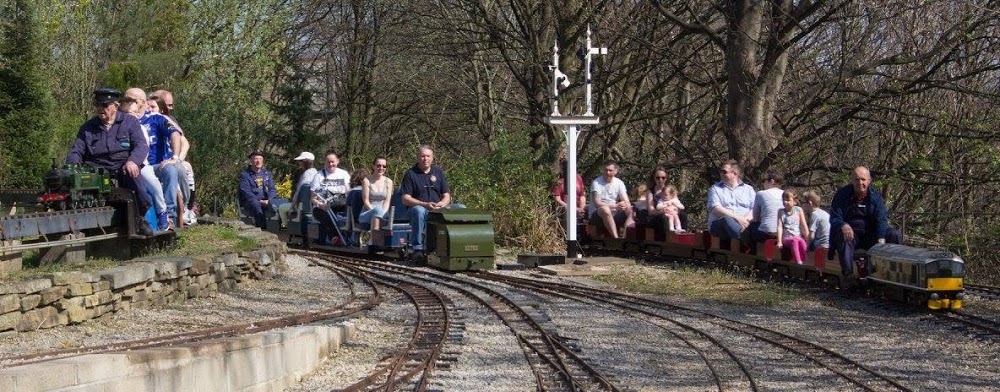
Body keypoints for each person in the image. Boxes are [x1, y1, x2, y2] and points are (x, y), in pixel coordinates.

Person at [66, 88, 153, 235]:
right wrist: (73, 166)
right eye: (99, 105)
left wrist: (132, 161)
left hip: (122, 166)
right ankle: (82, 224)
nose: (101, 109)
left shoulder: (129, 122)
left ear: (115, 106)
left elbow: (141, 145)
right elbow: (76, 151)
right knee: (77, 182)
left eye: (105, 106)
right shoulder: (88, 128)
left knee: (135, 179)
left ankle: (139, 219)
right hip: (97, 169)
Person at [829, 166, 902, 278]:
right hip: (851, 235)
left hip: (870, 235)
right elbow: (834, 217)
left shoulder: (875, 197)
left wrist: (881, 238)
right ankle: (848, 275)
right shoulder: (842, 195)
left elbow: (881, 219)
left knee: (894, 234)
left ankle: (894, 272)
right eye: (857, 179)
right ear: (852, 180)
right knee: (844, 235)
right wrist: (843, 224)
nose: (860, 182)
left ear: (869, 180)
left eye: (863, 179)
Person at [122, 88, 170, 230]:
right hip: (122, 165)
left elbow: (144, 147)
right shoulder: (118, 125)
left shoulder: (140, 126)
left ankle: (162, 212)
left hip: (141, 164)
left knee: (151, 182)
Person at [401, 145, 457, 255]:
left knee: (461, 208)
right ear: (418, 157)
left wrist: (442, 204)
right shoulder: (410, 174)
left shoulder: (438, 171)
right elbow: (405, 199)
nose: (425, 159)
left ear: (432, 158)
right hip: (420, 210)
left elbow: (446, 195)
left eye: (428, 156)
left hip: (438, 209)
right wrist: (425, 204)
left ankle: (455, 246)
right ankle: (418, 248)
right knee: (418, 210)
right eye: (422, 156)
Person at [707, 160, 756, 242]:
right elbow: (715, 208)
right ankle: (745, 241)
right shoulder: (715, 188)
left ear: (735, 173)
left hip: (745, 224)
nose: (721, 173)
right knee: (726, 219)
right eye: (721, 171)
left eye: (724, 171)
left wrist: (745, 220)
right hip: (720, 226)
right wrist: (738, 218)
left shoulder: (748, 189)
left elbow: (755, 208)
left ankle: (744, 238)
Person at [310, 151, 351, 244]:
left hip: (340, 204)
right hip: (322, 207)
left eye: (332, 162)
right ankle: (335, 237)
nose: (330, 164)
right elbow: (313, 198)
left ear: (337, 161)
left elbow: (349, 192)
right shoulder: (319, 176)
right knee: (326, 216)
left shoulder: (344, 174)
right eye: (328, 162)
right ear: (325, 162)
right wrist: (320, 205)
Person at [238, 151, 286, 229]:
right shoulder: (245, 175)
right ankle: (262, 229)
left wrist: (269, 200)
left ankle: (280, 226)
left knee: (281, 202)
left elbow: (272, 189)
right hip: (251, 201)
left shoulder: (267, 173)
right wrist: (259, 201)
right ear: (251, 160)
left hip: (266, 199)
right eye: (256, 158)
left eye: (260, 158)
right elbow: (246, 192)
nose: (258, 161)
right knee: (256, 204)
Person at [589, 160, 634, 239]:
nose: (608, 172)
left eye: (610, 170)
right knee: (605, 209)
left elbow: (626, 201)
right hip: (597, 213)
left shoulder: (619, 183)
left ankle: (625, 237)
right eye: (606, 170)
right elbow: (597, 203)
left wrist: (623, 204)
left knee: (631, 209)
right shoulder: (596, 183)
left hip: (614, 212)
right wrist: (615, 206)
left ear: (616, 171)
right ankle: (615, 238)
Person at [280, 151, 318, 227]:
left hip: (302, 206)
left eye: (300, 161)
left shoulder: (306, 175)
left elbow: (298, 192)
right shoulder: (316, 172)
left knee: (281, 208)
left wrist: (291, 207)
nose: (299, 163)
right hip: (312, 205)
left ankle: (285, 226)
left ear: (306, 162)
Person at [775, 190, 810, 264]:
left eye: (788, 200)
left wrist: (808, 239)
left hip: (797, 236)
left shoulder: (798, 210)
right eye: (783, 200)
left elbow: (803, 225)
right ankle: (798, 262)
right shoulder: (781, 212)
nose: (785, 202)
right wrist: (779, 241)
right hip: (787, 238)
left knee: (802, 241)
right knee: (795, 241)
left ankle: (805, 261)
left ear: (794, 201)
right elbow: (779, 227)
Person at [361, 157, 393, 231]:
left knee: (377, 216)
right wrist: (376, 212)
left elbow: (387, 202)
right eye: (378, 165)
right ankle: (374, 240)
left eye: (384, 166)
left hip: (384, 213)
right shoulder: (366, 181)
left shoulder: (389, 182)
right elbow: (366, 202)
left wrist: (381, 214)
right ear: (373, 166)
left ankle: (374, 240)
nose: (381, 168)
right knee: (377, 212)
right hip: (368, 212)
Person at [751, 171, 784, 242]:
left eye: (764, 180)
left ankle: (750, 249)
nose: (763, 183)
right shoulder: (787, 194)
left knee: (752, 225)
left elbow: (755, 217)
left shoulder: (761, 194)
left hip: (766, 234)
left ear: (772, 181)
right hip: (784, 233)